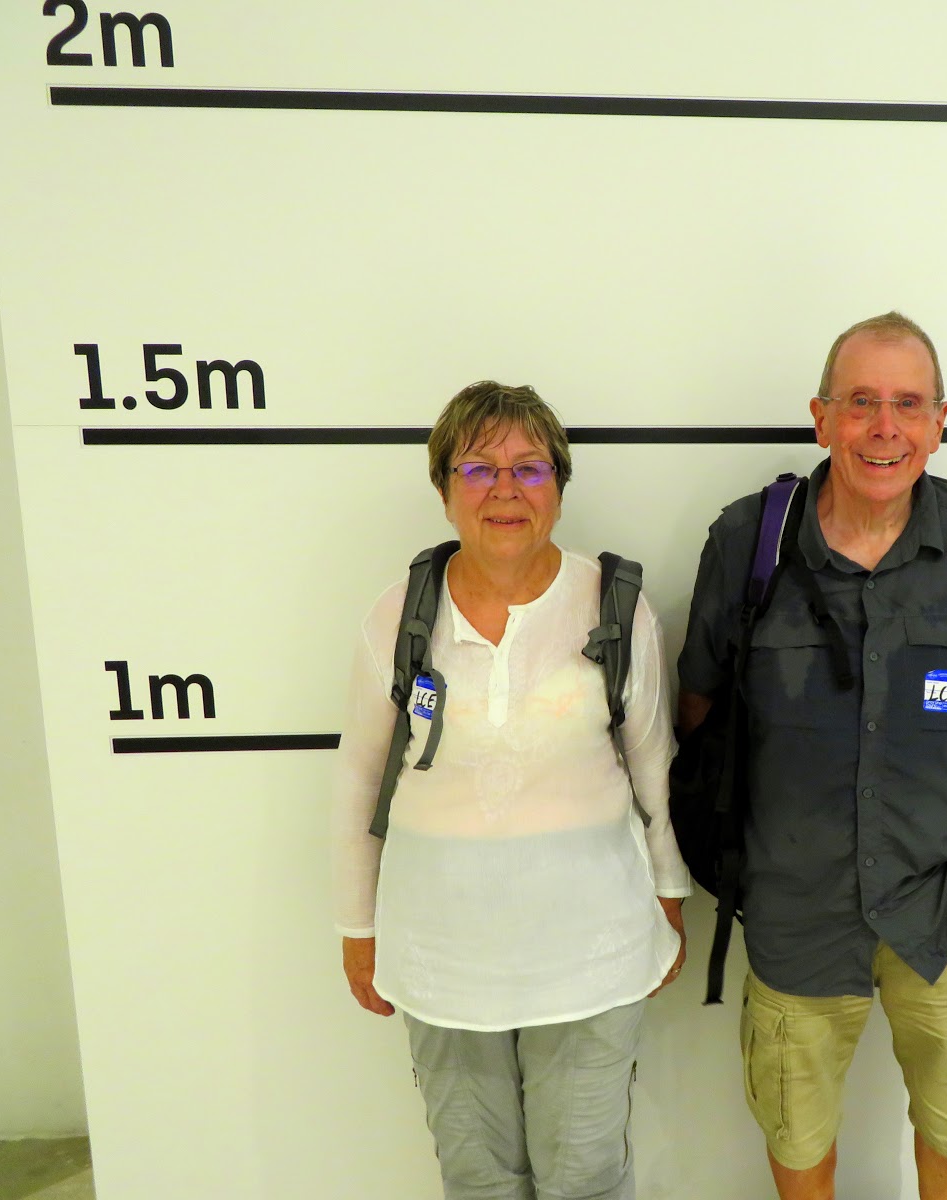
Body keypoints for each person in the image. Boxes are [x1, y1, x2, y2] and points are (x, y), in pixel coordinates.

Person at [677, 313, 947, 1200]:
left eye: (908, 405)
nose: (886, 427)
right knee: (798, 1140)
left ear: (939, 423)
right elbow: (700, 714)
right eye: (861, 403)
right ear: (821, 418)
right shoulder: (746, 542)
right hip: (796, 912)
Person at [331, 381, 691, 1200]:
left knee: (586, 1177)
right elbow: (359, 775)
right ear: (444, 487)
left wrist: (668, 895)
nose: (505, 489)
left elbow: (653, 764)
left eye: (530, 468)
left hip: (593, 955)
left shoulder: (614, 608)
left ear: (559, 486)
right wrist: (357, 926)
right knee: (477, 1177)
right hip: (440, 957)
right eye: (478, 468)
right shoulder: (398, 616)